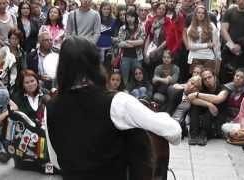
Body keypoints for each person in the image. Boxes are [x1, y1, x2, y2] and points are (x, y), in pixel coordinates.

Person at [46, 36, 181, 180]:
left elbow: (56, 162)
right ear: (96, 64)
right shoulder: (117, 102)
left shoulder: (52, 107)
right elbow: (173, 131)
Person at [11, 69, 51, 170]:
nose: (30, 84)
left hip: (44, 129)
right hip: (27, 132)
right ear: (22, 84)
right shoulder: (18, 97)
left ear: (37, 81)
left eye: (32, 81)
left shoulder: (45, 93)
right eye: (27, 82)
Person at [220, 0, 244, 88]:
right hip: (228, 52)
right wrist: (232, 46)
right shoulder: (229, 12)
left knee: (242, 82)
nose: (241, 1)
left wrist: (240, 45)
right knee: (225, 81)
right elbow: (223, 30)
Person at [186, 5, 221, 74]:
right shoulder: (190, 28)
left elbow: (216, 45)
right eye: (199, 13)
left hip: (209, 57)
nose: (201, 15)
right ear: (195, 14)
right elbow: (191, 46)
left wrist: (218, 58)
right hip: (194, 57)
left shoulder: (211, 26)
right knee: (196, 81)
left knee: (208, 81)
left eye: (203, 13)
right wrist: (207, 45)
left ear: (206, 15)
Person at [117, 9, 145, 86]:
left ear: (135, 17)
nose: (130, 19)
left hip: (137, 57)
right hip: (125, 57)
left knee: (138, 77)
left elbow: (142, 41)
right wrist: (133, 43)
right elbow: (119, 43)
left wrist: (130, 42)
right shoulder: (122, 28)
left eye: (132, 17)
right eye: (128, 17)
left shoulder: (140, 27)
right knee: (125, 78)